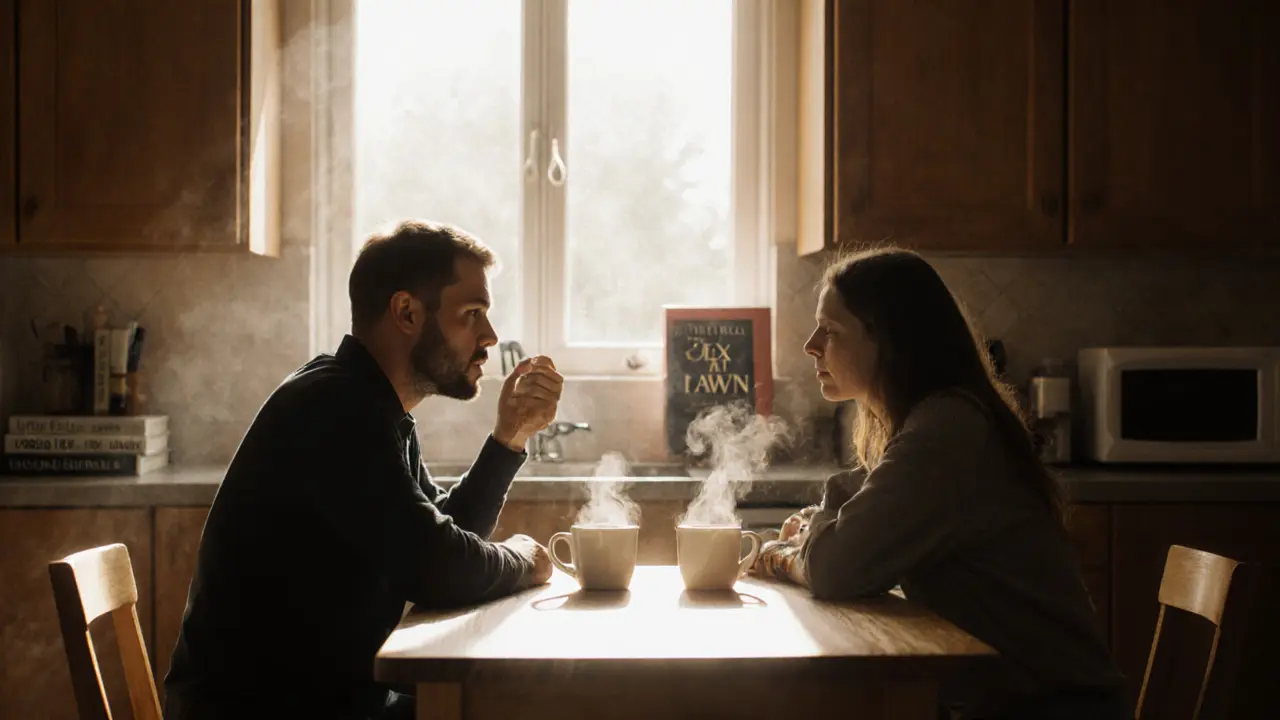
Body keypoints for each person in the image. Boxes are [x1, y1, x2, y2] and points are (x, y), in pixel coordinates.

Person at [164, 220, 561, 720]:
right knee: (516, 705)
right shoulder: (333, 408)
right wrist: (524, 561)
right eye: (472, 314)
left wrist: (510, 438)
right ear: (406, 312)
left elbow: (440, 537)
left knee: (497, 701)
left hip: (322, 699)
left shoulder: (368, 404)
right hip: (265, 710)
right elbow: (436, 567)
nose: (489, 336)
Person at [751, 247, 1128, 719]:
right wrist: (820, 530)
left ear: (887, 340)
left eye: (830, 330)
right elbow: (862, 535)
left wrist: (783, 557)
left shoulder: (948, 428)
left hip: (1050, 709)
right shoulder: (936, 420)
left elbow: (834, 568)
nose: (810, 345)